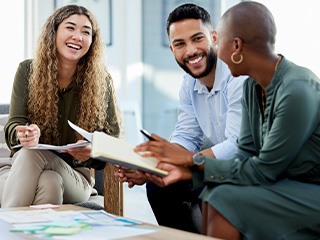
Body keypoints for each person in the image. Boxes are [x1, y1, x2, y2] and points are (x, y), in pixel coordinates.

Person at [137, 1, 320, 239]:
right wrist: (177, 168)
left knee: (222, 197)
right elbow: (245, 152)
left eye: (217, 40)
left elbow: (264, 169)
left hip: (305, 187)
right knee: (216, 195)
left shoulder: (296, 89)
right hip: (279, 180)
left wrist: (190, 164)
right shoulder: (253, 88)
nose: (212, 49)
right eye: (180, 43)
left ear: (235, 45)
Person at [116, 3, 246, 232]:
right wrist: (150, 167)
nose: (190, 51)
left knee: (202, 185)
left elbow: (235, 146)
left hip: (239, 170)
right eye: (180, 44)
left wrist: (184, 159)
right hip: (210, 165)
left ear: (214, 37)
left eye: (197, 39)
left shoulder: (236, 77)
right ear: (172, 49)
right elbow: (186, 135)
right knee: (158, 186)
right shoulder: (189, 84)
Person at [1, 5, 121, 208]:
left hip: (75, 176)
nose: (78, 36)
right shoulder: (27, 71)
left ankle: (5, 228)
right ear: (54, 32)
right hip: (22, 168)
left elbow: (113, 140)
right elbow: (14, 125)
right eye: (70, 28)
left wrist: (92, 151)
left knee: (35, 157)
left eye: (86, 32)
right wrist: (24, 134)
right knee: (50, 183)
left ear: (92, 41)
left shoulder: (102, 81)